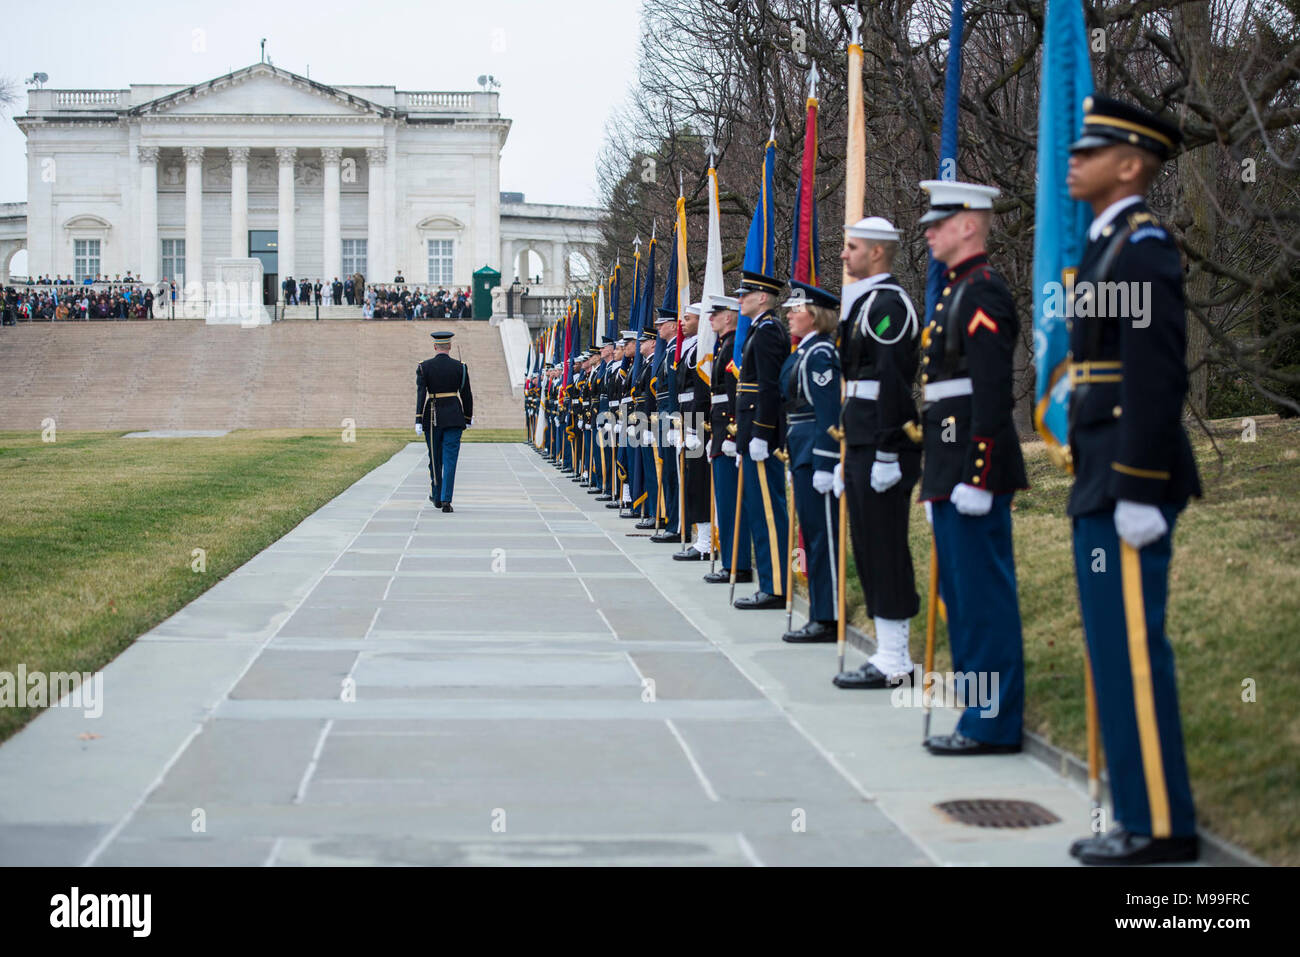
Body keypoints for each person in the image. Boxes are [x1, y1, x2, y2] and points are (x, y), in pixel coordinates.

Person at [1063, 96, 1200, 866]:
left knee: (1135, 650)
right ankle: (1135, 810)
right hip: (1102, 472)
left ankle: (1162, 828)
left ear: (1129, 164)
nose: (1074, 161)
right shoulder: (1106, 245)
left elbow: (1155, 374)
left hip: (1128, 477)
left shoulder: (1142, 247)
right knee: (1112, 651)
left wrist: (1141, 485)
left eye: (1091, 151)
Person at [917, 179, 1028, 755]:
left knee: (982, 598)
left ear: (968, 224)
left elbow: (990, 390)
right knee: (960, 596)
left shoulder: (982, 291)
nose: (929, 231)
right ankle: (975, 714)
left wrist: (978, 474)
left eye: (939, 221)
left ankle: (993, 722)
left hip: (972, 467)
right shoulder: (955, 291)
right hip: (949, 465)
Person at [833, 217, 924, 687]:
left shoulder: (888, 304)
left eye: (852, 248)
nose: (844, 256)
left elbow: (891, 379)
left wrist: (889, 449)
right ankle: (889, 652)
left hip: (882, 443)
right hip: (864, 440)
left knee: (885, 547)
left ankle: (896, 658)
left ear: (876, 252)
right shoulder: (865, 302)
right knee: (868, 546)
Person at [778, 281, 843, 641]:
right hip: (800, 450)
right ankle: (821, 610)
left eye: (796, 310)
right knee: (813, 534)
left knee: (822, 536)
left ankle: (828, 614)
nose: (789, 314)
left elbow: (828, 412)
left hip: (816, 452)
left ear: (815, 316)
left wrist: (825, 461)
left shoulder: (820, 355)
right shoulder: (804, 352)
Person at [733, 269, 790, 610]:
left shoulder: (768, 332)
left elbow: (769, 388)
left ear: (764, 297)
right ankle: (768, 581)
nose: (740, 299)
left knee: (769, 511)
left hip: (762, 436)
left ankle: (776, 585)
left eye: (746, 294)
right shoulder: (758, 329)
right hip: (751, 433)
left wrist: (761, 434)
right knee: (758, 509)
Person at [703, 297, 753, 584]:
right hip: (721, 434)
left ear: (731, 316)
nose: (712, 319)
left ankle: (738, 564)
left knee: (733, 504)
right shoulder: (722, 347)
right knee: (725, 503)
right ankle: (731, 561)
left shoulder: (734, 347)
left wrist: (732, 432)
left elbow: (737, 395)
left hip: (730, 436)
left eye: (717, 314)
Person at [672, 302, 713, 561]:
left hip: (700, 421)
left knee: (699, 480)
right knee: (692, 480)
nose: (682, 323)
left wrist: (694, 426)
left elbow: (702, 392)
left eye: (687, 318)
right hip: (688, 417)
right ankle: (701, 537)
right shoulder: (689, 347)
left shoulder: (703, 348)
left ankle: (707, 541)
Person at [416, 330, 474, 513]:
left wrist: (418, 418)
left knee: (435, 459)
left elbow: (421, 394)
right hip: (455, 415)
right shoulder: (460, 367)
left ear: (435, 347)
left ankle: (437, 493)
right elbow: (466, 394)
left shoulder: (424, 367)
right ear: (449, 346)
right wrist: (468, 417)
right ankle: (446, 499)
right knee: (450, 460)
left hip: (433, 415)